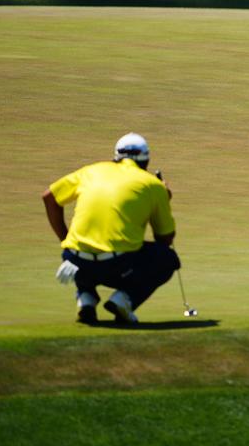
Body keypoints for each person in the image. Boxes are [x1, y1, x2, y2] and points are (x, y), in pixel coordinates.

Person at [41, 132, 179, 324]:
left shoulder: (91, 171)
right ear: (146, 161)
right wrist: (162, 197)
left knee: (82, 251)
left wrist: (66, 242)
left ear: (116, 156)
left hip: (74, 261)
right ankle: (124, 299)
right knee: (167, 258)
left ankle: (86, 299)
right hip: (117, 266)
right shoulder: (153, 185)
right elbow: (164, 239)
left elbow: (49, 196)